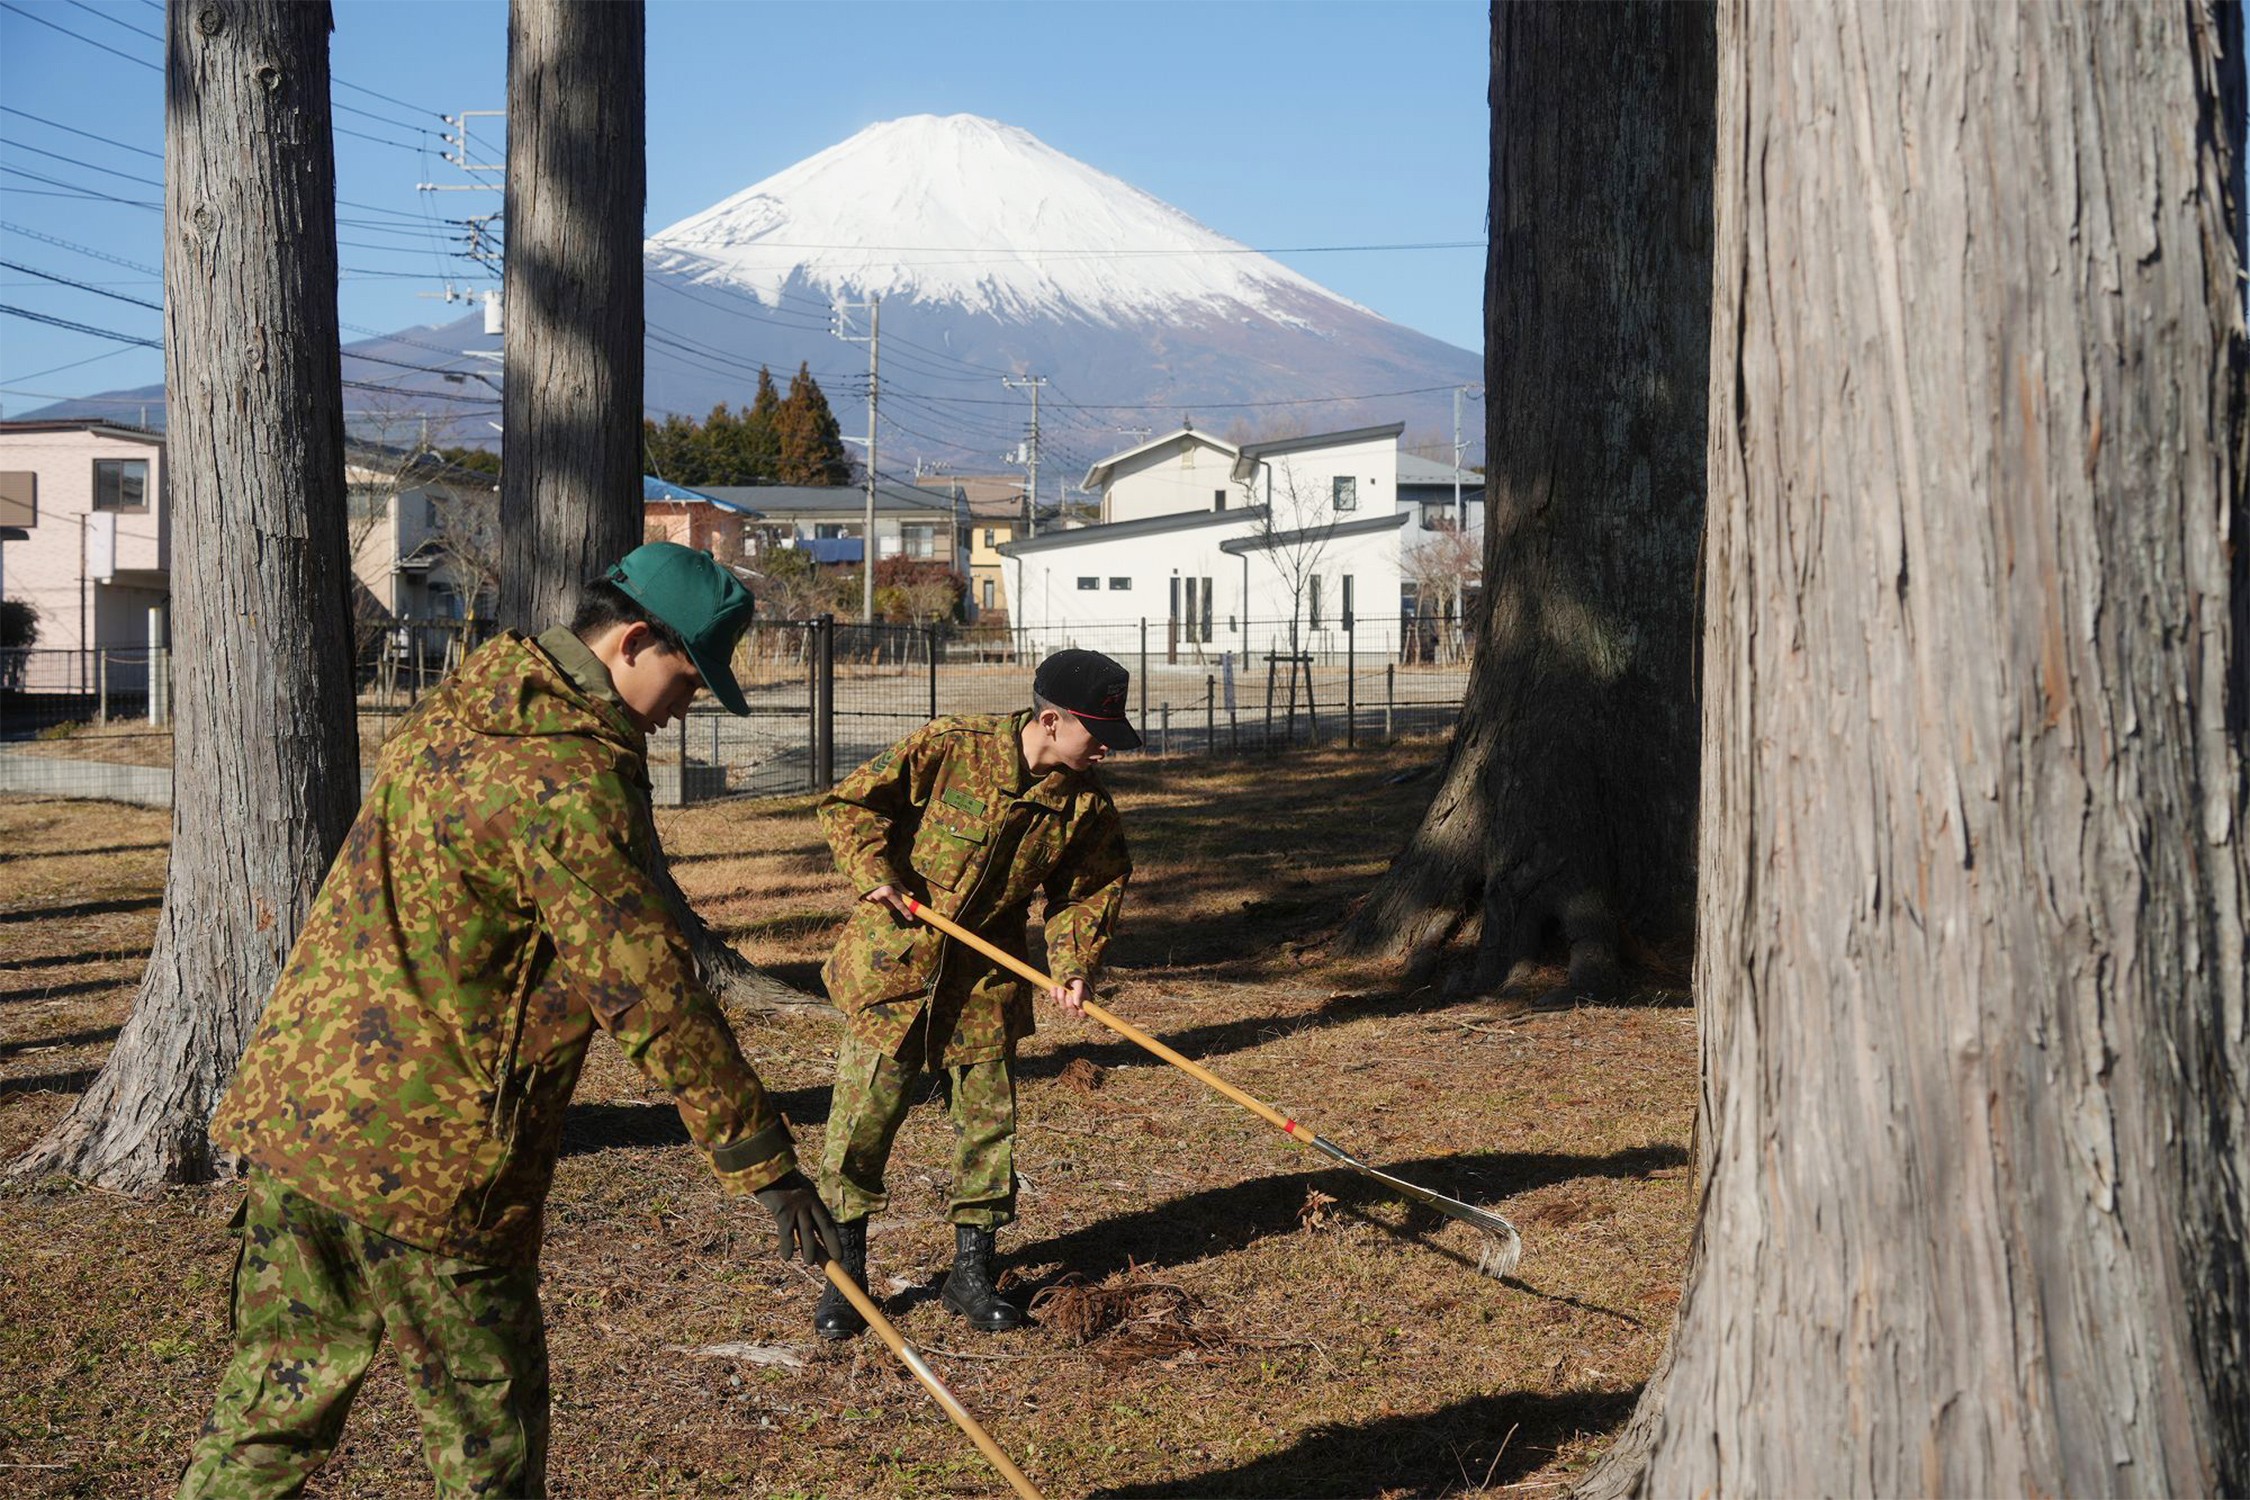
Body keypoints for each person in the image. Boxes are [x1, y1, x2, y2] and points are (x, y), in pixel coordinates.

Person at [178, 543, 839, 1500]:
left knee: (267, 1423)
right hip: (429, 1165)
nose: (690, 704)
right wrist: (762, 1162)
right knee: (490, 1455)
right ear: (634, 640)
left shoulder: (465, 703)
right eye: (689, 676)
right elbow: (647, 988)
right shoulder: (566, 777)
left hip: (298, 1124)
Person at [811, 649, 1137, 1340]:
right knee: (862, 1125)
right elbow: (851, 804)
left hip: (985, 980)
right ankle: (847, 1279)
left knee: (989, 1128)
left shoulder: (1083, 806)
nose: (1106, 748)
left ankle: (970, 1274)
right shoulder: (952, 745)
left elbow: (1089, 890)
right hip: (896, 967)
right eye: (1097, 734)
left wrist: (1074, 963)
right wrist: (873, 870)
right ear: (1051, 720)